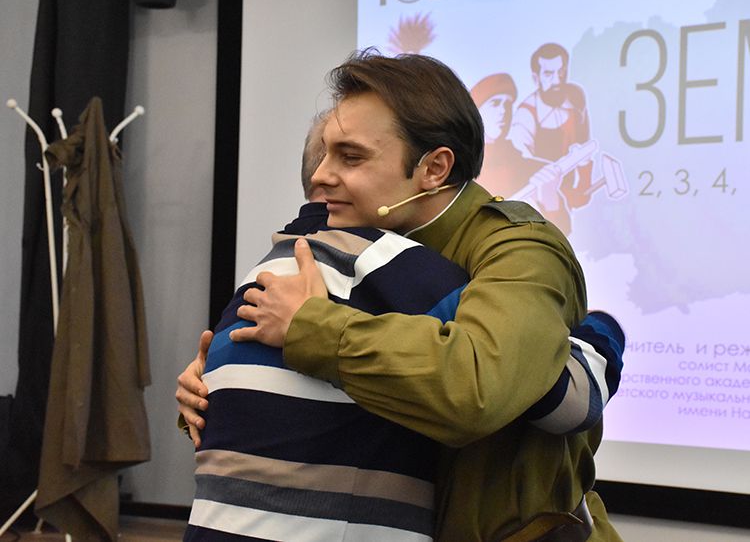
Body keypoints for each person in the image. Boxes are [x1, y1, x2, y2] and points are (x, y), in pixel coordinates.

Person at [178, 51, 622, 541]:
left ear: (434, 168)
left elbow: (477, 388)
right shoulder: (362, 248)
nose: (320, 175)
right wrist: (221, 383)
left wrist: (309, 327)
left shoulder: (518, 248)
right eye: (324, 154)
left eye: (351, 157)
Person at [471, 73, 572, 234]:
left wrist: (550, 199)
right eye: (495, 103)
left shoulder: (534, 168)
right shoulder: (458, 171)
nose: (504, 111)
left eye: (508, 104)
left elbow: (564, 231)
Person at [509, 43, 594, 214]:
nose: (557, 80)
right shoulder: (525, 116)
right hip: (542, 207)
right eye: (548, 74)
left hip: (573, 202)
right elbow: (522, 173)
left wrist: (583, 183)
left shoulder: (576, 97)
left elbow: (584, 145)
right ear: (536, 78)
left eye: (561, 72)